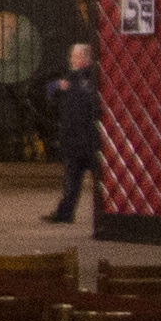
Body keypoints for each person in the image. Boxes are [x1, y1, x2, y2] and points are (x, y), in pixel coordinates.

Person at [41, 39, 102, 227]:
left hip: (88, 139)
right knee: (71, 181)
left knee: (93, 179)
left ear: (86, 59)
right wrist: (56, 86)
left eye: (76, 56)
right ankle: (65, 212)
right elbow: (49, 94)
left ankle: (104, 212)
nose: (72, 60)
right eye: (73, 56)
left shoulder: (89, 79)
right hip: (73, 139)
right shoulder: (70, 79)